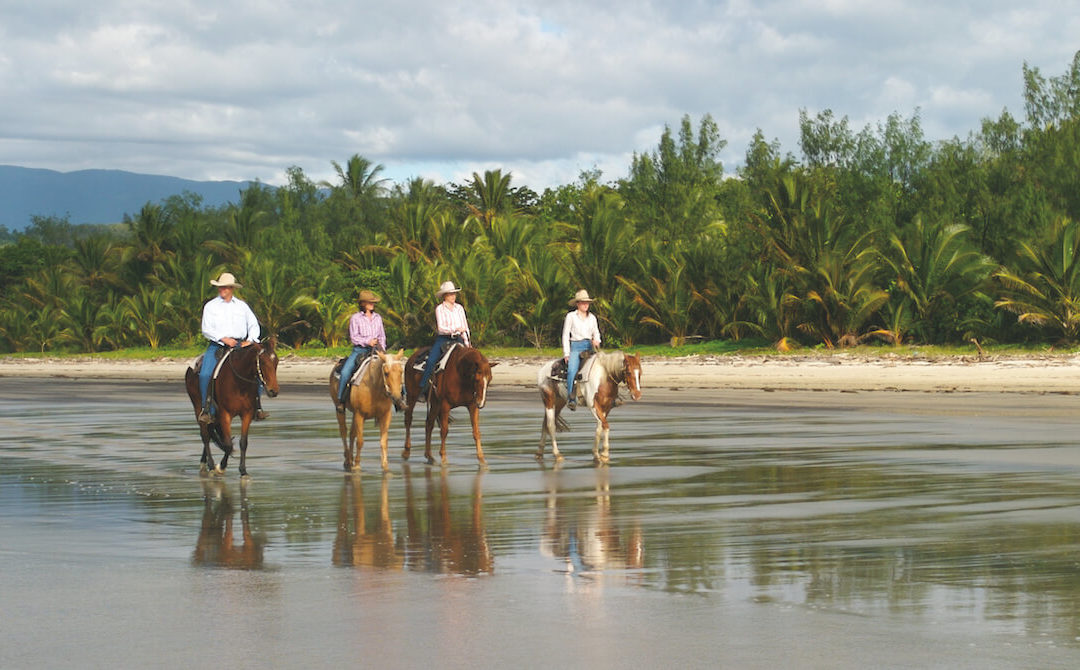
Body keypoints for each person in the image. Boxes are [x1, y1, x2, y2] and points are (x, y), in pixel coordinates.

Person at [198, 272, 265, 424]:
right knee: (205, 374)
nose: (222, 290)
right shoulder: (211, 306)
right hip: (218, 345)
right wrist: (223, 338)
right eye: (220, 287)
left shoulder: (242, 306)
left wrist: (251, 340)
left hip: (241, 345)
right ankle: (206, 409)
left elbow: (253, 324)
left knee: (259, 372)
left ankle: (257, 407)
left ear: (231, 288)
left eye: (225, 287)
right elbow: (206, 329)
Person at [335, 289, 387, 413]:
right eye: (370, 302)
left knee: (392, 369)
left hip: (377, 350)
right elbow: (354, 337)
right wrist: (368, 341)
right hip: (360, 350)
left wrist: (382, 349)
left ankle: (400, 397)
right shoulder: (355, 318)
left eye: (373, 302)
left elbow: (382, 335)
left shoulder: (377, 318)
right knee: (346, 372)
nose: (372, 304)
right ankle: (341, 400)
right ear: (363, 303)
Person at [418, 281, 471, 397]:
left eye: (454, 294)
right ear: (444, 296)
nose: (453, 296)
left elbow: (465, 326)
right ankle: (423, 388)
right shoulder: (440, 309)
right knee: (431, 360)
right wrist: (456, 328)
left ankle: (469, 389)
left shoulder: (459, 308)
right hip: (444, 339)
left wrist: (467, 343)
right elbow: (441, 328)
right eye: (450, 294)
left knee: (471, 360)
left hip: (458, 339)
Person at [562, 289, 601, 410]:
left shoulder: (592, 318)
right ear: (578, 303)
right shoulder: (571, 316)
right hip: (576, 346)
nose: (585, 305)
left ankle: (611, 395)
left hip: (589, 346)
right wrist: (567, 353)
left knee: (604, 368)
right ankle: (571, 398)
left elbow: (596, 332)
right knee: (572, 371)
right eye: (583, 302)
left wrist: (597, 340)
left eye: (587, 303)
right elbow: (565, 335)